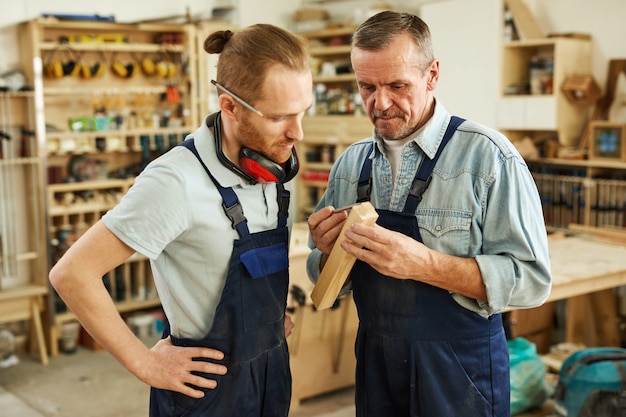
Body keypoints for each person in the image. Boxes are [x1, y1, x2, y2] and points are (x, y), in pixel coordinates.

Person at [49, 23, 312, 417]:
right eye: (280, 117)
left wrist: (267, 322)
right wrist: (144, 363)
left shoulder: (272, 167)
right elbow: (72, 274)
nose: (298, 133)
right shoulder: (175, 181)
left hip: (271, 371)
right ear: (230, 107)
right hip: (206, 390)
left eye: (302, 112)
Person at [306, 11, 552, 417]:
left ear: (432, 74)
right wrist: (329, 251)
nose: (379, 103)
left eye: (397, 85)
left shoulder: (489, 159)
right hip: (376, 364)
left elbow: (532, 281)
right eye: (366, 86)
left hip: (460, 373)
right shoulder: (351, 165)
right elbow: (323, 278)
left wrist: (426, 265)